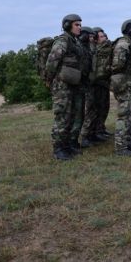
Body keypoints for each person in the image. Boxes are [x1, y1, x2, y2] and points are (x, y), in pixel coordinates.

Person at [44, 14, 85, 160]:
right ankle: (58, 149)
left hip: (73, 84)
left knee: (71, 116)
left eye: (80, 25)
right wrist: (49, 79)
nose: (79, 27)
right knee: (62, 117)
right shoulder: (63, 40)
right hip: (62, 85)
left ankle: (66, 145)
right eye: (76, 25)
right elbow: (52, 61)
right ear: (67, 25)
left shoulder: (75, 41)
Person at [111, 19, 131, 156]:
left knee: (130, 115)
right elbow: (118, 65)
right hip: (125, 84)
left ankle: (127, 143)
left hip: (130, 84)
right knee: (124, 116)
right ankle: (121, 147)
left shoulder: (130, 44)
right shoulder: (123, 44)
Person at [92, 27, 112, 138]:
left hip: (104, 83)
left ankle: (100, 129)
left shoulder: (106, 49)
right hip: (96, 83)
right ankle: (93, 131)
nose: (104, 38)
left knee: (105, 107)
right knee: (96, 109)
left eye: (104, 36)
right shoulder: (94, 49)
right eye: (101, 36)